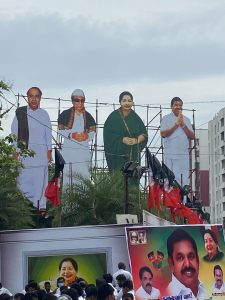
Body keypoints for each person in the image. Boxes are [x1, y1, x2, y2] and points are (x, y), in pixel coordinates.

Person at [11, 86, 52, 210]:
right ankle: (23, 209)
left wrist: (49, 151)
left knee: (40, 183)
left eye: (36, 96)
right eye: (31, 96)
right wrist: (15, 151)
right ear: (27, 98)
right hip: (24, 153)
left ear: (40, 98)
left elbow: (48, 134)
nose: (34, 99)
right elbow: (14, 133)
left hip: (41, 154)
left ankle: (39, 209)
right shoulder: (21, 113)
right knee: (23, 181)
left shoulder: (44, 114)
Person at [58, 89, 96, 187]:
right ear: (72, 101)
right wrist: (71, 135)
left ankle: (83, 202)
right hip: (69, 150)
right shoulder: (64, 115)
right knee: (68, 177)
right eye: (77, 100)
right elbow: (60, 130)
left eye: (82, 100)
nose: (79, 103)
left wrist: (86, 136)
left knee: (84, 177)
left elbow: (93, 132)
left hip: (83, 151)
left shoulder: (89, 117)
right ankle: (68, 202)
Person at [103, 91, 148, 173]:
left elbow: (144, 134)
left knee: (132, 180)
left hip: (133, 154)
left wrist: (137, 140)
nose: (127, 103)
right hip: (118, 155)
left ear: (132, 102)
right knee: (119, 179)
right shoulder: (113, 117)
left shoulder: (136, 118)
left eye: (129, 101)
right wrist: (122, 139)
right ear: (120, 102)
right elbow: (107, 135)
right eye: (124, 101)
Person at [160, 97, 194, 186]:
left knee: (184, 182)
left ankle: (183, 200)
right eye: (176, 105)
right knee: (170, 181)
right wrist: (176, 124)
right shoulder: (166, 118)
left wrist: (183, 124)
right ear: (171, 106)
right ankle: (171, 199)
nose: (178, 107)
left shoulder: (186, 119)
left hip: (183, 156)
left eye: (180, 105)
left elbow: (192, 136)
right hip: (170, 155)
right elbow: (163, 134)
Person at [166, 228, 208, 299]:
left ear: (197, 260)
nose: (187, 264)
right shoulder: (167, 294)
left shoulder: (207, 290)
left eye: (191, 256)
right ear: (171, 264)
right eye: (180, 258)